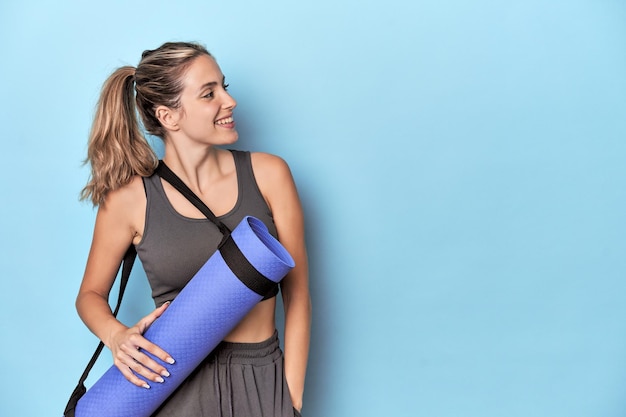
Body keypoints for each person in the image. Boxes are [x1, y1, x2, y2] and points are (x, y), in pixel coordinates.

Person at [76, 41, 311, 417]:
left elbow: (298, 297)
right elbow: (89, 294)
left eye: (224, 86)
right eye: (209, 94)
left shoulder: (269, 175)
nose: (229, 101)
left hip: (261, 378)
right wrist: (116, 336)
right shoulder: (129, 199)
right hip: (172, 384)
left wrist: (292, 398)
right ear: (170, 117)